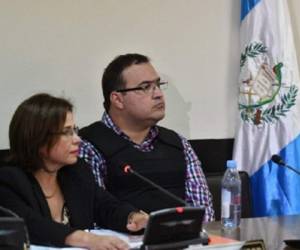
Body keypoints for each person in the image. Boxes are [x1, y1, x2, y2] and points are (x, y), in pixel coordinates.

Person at [0, 93, 148, 249]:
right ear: (39, 139)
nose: (78, 139)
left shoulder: (76, 172)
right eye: (66, 132)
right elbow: (30, 224)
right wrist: (87, 239)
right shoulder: (9, 179)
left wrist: (132, 217)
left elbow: (106, 206)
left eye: (74, 130)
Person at [79, 53, 215, 221]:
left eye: (158, 85)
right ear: (118, 100)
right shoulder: (89, 146)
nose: (158, 94)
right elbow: (92, 216)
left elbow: (203, 212)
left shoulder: (178, 143)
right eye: (145, 87)